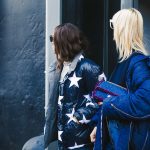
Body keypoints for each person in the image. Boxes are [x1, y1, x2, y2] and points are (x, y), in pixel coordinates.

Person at [93, 8, 150, 150]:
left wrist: (108, 104)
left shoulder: (138, 63)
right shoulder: (125, 61)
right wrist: (99, 127)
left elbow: (145, 100)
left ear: (122, 28)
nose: (112, 30)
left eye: (113, 24)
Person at [44, 23, 106, 150]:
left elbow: (105, 100)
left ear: (64, 42)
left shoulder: (89, 67)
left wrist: (77, 118)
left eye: (53, 39)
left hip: (81, 141)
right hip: (63, 139)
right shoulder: (58, 67)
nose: (51, 43)